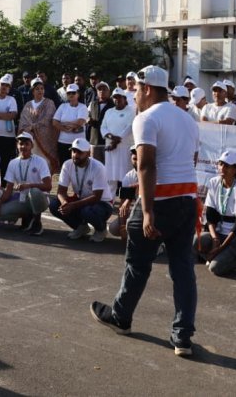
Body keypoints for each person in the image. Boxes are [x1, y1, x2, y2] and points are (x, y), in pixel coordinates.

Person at [90, 66, 199, 357]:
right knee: (183, 269)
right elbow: (193, 158)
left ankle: (121, 317)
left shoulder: (146, 119)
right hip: (187, 199)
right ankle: (183, 337)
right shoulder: (187, 119)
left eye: (137, 89)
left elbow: (146, 165)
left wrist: (147, 211)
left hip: (159, 200)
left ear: (148, 89)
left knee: (137, 263)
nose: (134, 94)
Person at [196, 150, 236, 276]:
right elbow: (210, 216)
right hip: (218, 233)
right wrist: (215, 239)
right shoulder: (214, 182)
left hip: (234, 237)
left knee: (215, 268)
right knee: (195, 242)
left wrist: (219, 249)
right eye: (220, 164)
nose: (222, 168)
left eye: (227, 166)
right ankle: (218, 256)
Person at [49, 138, 114, 242]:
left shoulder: (98, 167)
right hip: (81, 201)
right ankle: (81, 227)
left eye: (79, 152)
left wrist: (73, 205)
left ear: (88, 153)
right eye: (74, 151)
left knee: (87, 211)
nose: (75, 155)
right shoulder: (67, 164)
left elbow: (96, 197)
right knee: (54, 205)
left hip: (102, 203)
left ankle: (100, 229)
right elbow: (61, 191)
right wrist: (64, 203)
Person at [0, 132, 52, 235]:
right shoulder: (13, 163)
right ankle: (27, 217)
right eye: (20, 144)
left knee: (34, 192)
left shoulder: (40, 161)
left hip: (40, 198)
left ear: (32, 145)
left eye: (27, 144)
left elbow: (48, 186)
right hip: (23, 199)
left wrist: (29, 185)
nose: (23, 147)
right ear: (17, 145)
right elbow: (9, 189)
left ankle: (37, 223)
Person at [17, 78, 59, 174]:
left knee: (44, 162)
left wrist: (33, 126)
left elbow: (48, 119)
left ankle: (44, 184)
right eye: (37, 89)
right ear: (32, 91)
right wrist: (29, 128)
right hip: (30, 138)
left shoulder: (49, 103)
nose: (40, 91)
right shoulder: (28, 105)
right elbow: (23, 120)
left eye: (41, 88)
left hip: (45, 139)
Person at [101, 88, 136, 194]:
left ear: (124, 98)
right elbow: (103, 127)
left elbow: (129, 128)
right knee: (110, 176)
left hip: (124, 148)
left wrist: (115, 142)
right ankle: (109, 200)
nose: (117, 99)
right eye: (115, 97)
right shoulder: (109, 112)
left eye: (119, 97)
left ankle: (127, 201)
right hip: (110, 149)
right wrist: (111, 138)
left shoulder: (131, 111)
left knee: (126, 177)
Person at [53, 83, 89, 166]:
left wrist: (63, 123)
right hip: (63, 142)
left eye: (73, 93)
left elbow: (80, 122)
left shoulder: (82, 107)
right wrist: (67, 129)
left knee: (79, 166)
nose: (71, 95)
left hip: (79, 143)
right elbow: (54, 122)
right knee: (64, 166)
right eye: (69, 93)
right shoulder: (62, 106)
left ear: (78, 94)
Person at [108, 147, 139, 240]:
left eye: (140, 158)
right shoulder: (129, 177)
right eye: (135, 159)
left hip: (157, 210)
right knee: (114, 228)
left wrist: (129, 198)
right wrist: (122, 226)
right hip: (140, 211)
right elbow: (122, 206)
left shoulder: (156, 171)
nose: (137, 161)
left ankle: (159, 243)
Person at [87, 82, 112, 152]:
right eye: (99, 89)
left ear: (109, 92)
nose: (102, 91)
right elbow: (87, 115)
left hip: (108, 142)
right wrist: (88, 119)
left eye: (104, 89)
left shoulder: (113, 105)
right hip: (94, 141)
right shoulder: (92, 104)